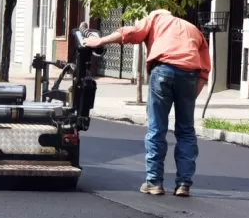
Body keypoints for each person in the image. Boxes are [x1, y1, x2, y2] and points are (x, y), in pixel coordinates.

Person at [83, 10, 210, 197]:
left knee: (157, 128)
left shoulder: (155, 19)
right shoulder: (192, 29)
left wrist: (99, 41)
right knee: (186, 131)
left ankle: (154, 183)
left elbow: (131, 33)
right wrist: (190, 97)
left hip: (164, 70)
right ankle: (183, 184)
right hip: (189, 75)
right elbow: (204, 70)